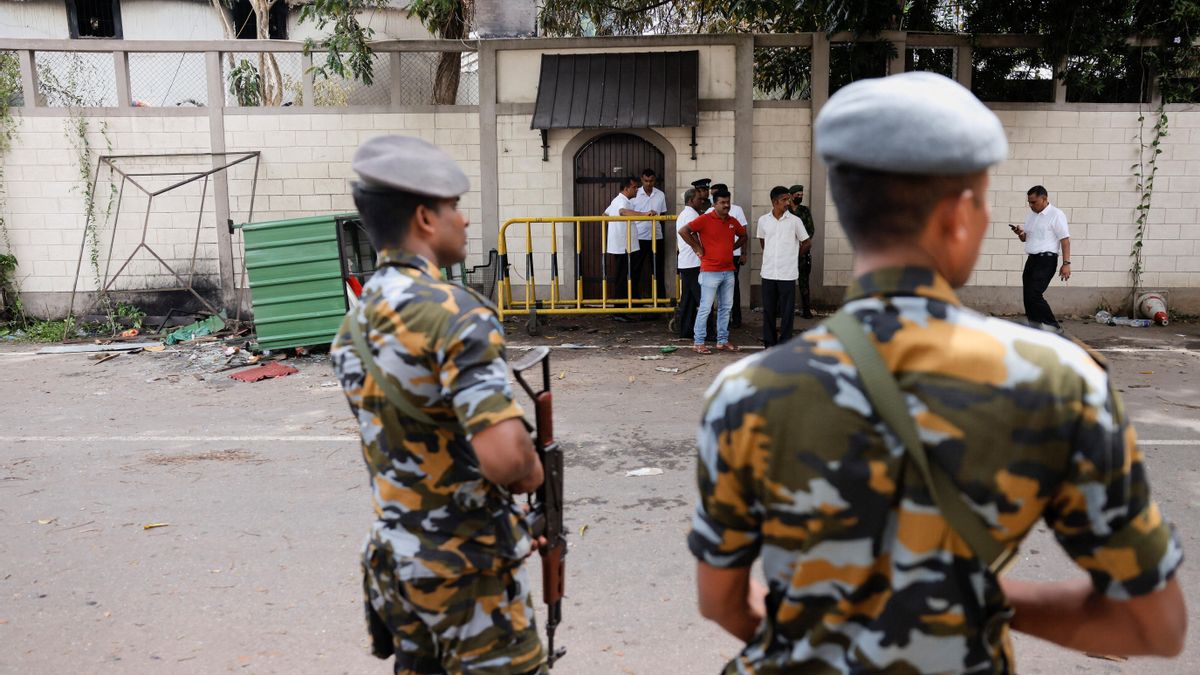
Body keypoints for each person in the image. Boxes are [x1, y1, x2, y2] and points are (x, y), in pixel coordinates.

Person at [688, 72, 1184, 673]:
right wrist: (970, 598)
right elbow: (1151, 621)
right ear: (961, 215)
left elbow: (723, 601)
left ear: (847, 214)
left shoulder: (743, 394)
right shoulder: (1058, 381)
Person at [331, 136, 548, 674]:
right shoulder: (456, 312)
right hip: (466, 573)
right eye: (454, 207)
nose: (465, 220)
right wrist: (533, 472)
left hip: (398, 566)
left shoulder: (354, 323)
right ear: (426, 219)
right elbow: (504, 460)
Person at [679, 188, 746, 354]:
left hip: (728, 271)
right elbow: (683, 231)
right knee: (705, 307)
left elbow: (744, 235)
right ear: (714, 204)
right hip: (709, 271)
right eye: (722, 203)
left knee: (725, 308)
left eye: (728, 202)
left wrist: (733, 247)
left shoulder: (732, 221)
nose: (726, 205)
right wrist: (697, 248)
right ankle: (699, 342)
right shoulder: (705, 219)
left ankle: (722, 341)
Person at [756, 186, 810, 347]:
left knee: (787, 313)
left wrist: (794, 255)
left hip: (788, 274)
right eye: (784, 199)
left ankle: (785, 344)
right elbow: (763, 242)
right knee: (769, 311)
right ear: (774, 202)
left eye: (788, 199)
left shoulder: (795, 221)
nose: (788, 202)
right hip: (768, 273)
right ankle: (769, 344)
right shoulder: (763, 221)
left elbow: (807, 243)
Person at [1011, 185, 1071, 329]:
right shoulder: (1031, 216)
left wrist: (1066, 263)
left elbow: (1065, 240)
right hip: (1032, 260)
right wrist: (1020, 233)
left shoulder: (1056, 214)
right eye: (1029, 202)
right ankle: (1035, 328)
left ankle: (1054, 327)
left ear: (1044, 199)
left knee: (1034, 294)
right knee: (1028, 296)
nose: (1031, 205)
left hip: (1046, 260)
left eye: (1034, 202)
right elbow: (1026, 238)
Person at [605, 176, 657, 310]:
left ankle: (627, 306)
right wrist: (644, 214)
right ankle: (620, 311)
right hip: (623, 246)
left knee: (625, 276)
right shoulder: (622, 201)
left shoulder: (617, 200)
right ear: (626, 188)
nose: (636, 190)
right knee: (623, 278)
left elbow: (605, 214)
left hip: (622, 245)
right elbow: (622, 212)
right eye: (634, 187)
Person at [707, 184, 749, 328]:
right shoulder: (709, 211)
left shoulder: (736, 210)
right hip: (714, 258)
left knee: (733, 288)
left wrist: (742, 252)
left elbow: (744, 232)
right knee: (712, 289)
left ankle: (736, 319)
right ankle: (714, 320)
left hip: (733, 256)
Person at [672, 187, 711, 340]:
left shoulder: (687, 214)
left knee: (688, 299)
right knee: (704, 298)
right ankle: (708, 331)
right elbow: (687, 233)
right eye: (699, 199)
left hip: (687, 262)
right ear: (690, 200)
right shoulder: (690, 215)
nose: (702, 201)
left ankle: (686, 329)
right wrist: (699, 249)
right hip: (694, 262)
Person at [630, 168, 669, 302]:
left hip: (656, 237)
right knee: (636, 270)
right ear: (642, 180)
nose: (648, 183)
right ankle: (634, 301)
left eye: (651, 181)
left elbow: (662, 215)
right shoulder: (635, 194)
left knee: (658, 270)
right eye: (646, 181)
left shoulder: (660, 195)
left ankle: (660, 301)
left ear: (655, 180)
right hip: (639, 237)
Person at [789, 183, 816, 318]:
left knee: (804, 281)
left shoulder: (805, 211)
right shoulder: (785, 210)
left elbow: (811, 229)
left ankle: (806, 310)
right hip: (788, 251)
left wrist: (803, 241)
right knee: (786, 281)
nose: (800, 197)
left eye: (801, 195)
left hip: (802, 251)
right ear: (791, 196)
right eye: (797, 195)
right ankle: (781, 310)